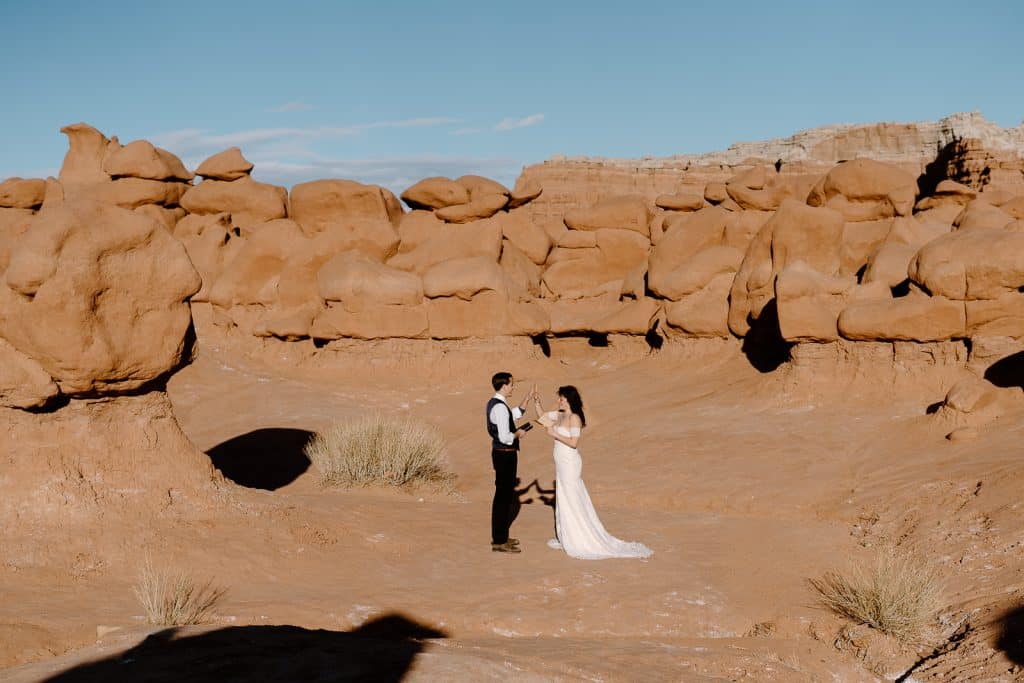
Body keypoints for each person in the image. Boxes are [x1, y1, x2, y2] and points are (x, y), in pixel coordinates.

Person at [533, 385, 652, 560]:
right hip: (561, 463)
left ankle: (579, 538)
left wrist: (554, 434)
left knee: (572, 497)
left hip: (570, 463)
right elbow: (543, 418)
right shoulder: (560, 415)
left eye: (562, 398)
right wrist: (536, 402)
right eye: (559, 398)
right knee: (564, 497)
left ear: (569, 399)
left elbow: (574, 442)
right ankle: (568, 535)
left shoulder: (575, 418)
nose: (559, 401)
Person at [487, 372, 535, 553]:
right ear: (504, 385)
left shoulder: (498, 404)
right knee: (502, 497)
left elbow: (512, 415)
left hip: (503, 455)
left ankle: (501, 536)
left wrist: (526, 400)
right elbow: (505, 436)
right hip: (504, 455)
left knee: (504, 496)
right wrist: (518, 434)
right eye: (511, 384)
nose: (513, 387)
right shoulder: (499, 407)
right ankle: (499, 541)